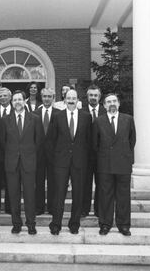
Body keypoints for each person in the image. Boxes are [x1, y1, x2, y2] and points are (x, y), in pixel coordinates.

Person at [49, 89, 92, 235]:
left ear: (78, 99)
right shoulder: (57, 116)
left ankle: (74, 224)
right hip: (61, 162)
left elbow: (89, 141)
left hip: (79, 162)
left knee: (78, 194)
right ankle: (56, 224)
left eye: (74, 97)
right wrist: (55, 159)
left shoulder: (86, 117)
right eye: (69, 98)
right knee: (59, 194)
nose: (71, 100)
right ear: (64, 99)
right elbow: (51, 140)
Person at [1, 90, 44, 235]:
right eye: (15, 100)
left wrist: (31, 156)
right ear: (12, 103)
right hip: (11, 163)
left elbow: (39, 141)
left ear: (25, 101)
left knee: (30, 195)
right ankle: (16, 223)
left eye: (20, 99)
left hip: (29, 162)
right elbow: (2, 142)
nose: (17, 102)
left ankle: (31, 224)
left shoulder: (35, 118)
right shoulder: (5, 119)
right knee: (13, 195)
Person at [93, 93, 136, 236]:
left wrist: (126, 156)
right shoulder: (99, 121)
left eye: (114, 101)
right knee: (105, 195)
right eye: (108, 102)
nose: (111, 104)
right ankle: (105, 224)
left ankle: (123, 225)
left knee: (123, 196)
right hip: (105, 164)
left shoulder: (128, 119)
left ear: (118, 104)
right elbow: (95, 144)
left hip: (123, 163)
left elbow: (132, 141)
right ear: (104, 105)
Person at [33, 88, 61, 215]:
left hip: (54, 154)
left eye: (49, 96)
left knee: (53, 181)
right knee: (38, 181)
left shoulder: (60, 113)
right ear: (41, 97)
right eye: (44, 96)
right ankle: (39, 207)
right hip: (38, 154)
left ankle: (52, 207)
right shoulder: (34, 113)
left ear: (53, 98)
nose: (47, 99)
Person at [81, 85, 106, 217]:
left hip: (101, 155)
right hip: (85, 155)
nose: (93, 98)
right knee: (85, 184)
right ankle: (84, 210)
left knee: (101, 183)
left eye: (95, 95)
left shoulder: (105, 111)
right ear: (87, 96)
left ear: (99, 97)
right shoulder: (81, 111)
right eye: (91, 95)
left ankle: (98, 210)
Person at [0, 87, 12, 215]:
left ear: (10, 97)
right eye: (0, 96)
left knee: (11, 181)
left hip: (12, 153)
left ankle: (10, 207)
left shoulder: (17, 111)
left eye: (5, 95)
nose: (3, 98)